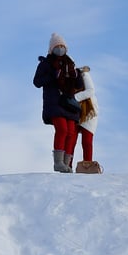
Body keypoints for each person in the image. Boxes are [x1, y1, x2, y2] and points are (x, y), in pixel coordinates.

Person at [32, 32, 83, 173]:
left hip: (69, 103)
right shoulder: (46, 63)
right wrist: (54, 76)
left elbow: (79, 85)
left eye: (62, 46)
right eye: (57, 46)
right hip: (54, 102)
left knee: (71, 133)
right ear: (51, 48)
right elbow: (37, 82)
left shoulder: (70, 64)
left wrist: (78, 75)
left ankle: (67, 164)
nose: (60, 48)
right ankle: (58, 163)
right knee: (62, 129)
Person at [72, 65, 99, 164]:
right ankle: (67, 167)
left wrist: (73, 98)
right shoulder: (64, 77)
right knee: (71, 140)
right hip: (73, 111)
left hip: (88, 112)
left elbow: (90, 91)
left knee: (87, 141)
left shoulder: (83, 74)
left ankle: (87, 166)